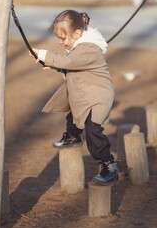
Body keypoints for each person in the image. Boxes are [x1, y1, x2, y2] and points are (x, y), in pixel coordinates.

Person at [29, 10, 118, 185]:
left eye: (63, 38)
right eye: (59, 39)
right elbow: (76, 67)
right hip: (85, 92)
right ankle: (73, 136)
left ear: (77, 34)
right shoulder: (79, 47)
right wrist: (55, 66)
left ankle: (109, 165)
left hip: (98, 95)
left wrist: (44, 55)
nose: (61, 43)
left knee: (93, 130)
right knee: (73, 116)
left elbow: (71, 62)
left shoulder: (89, 48)